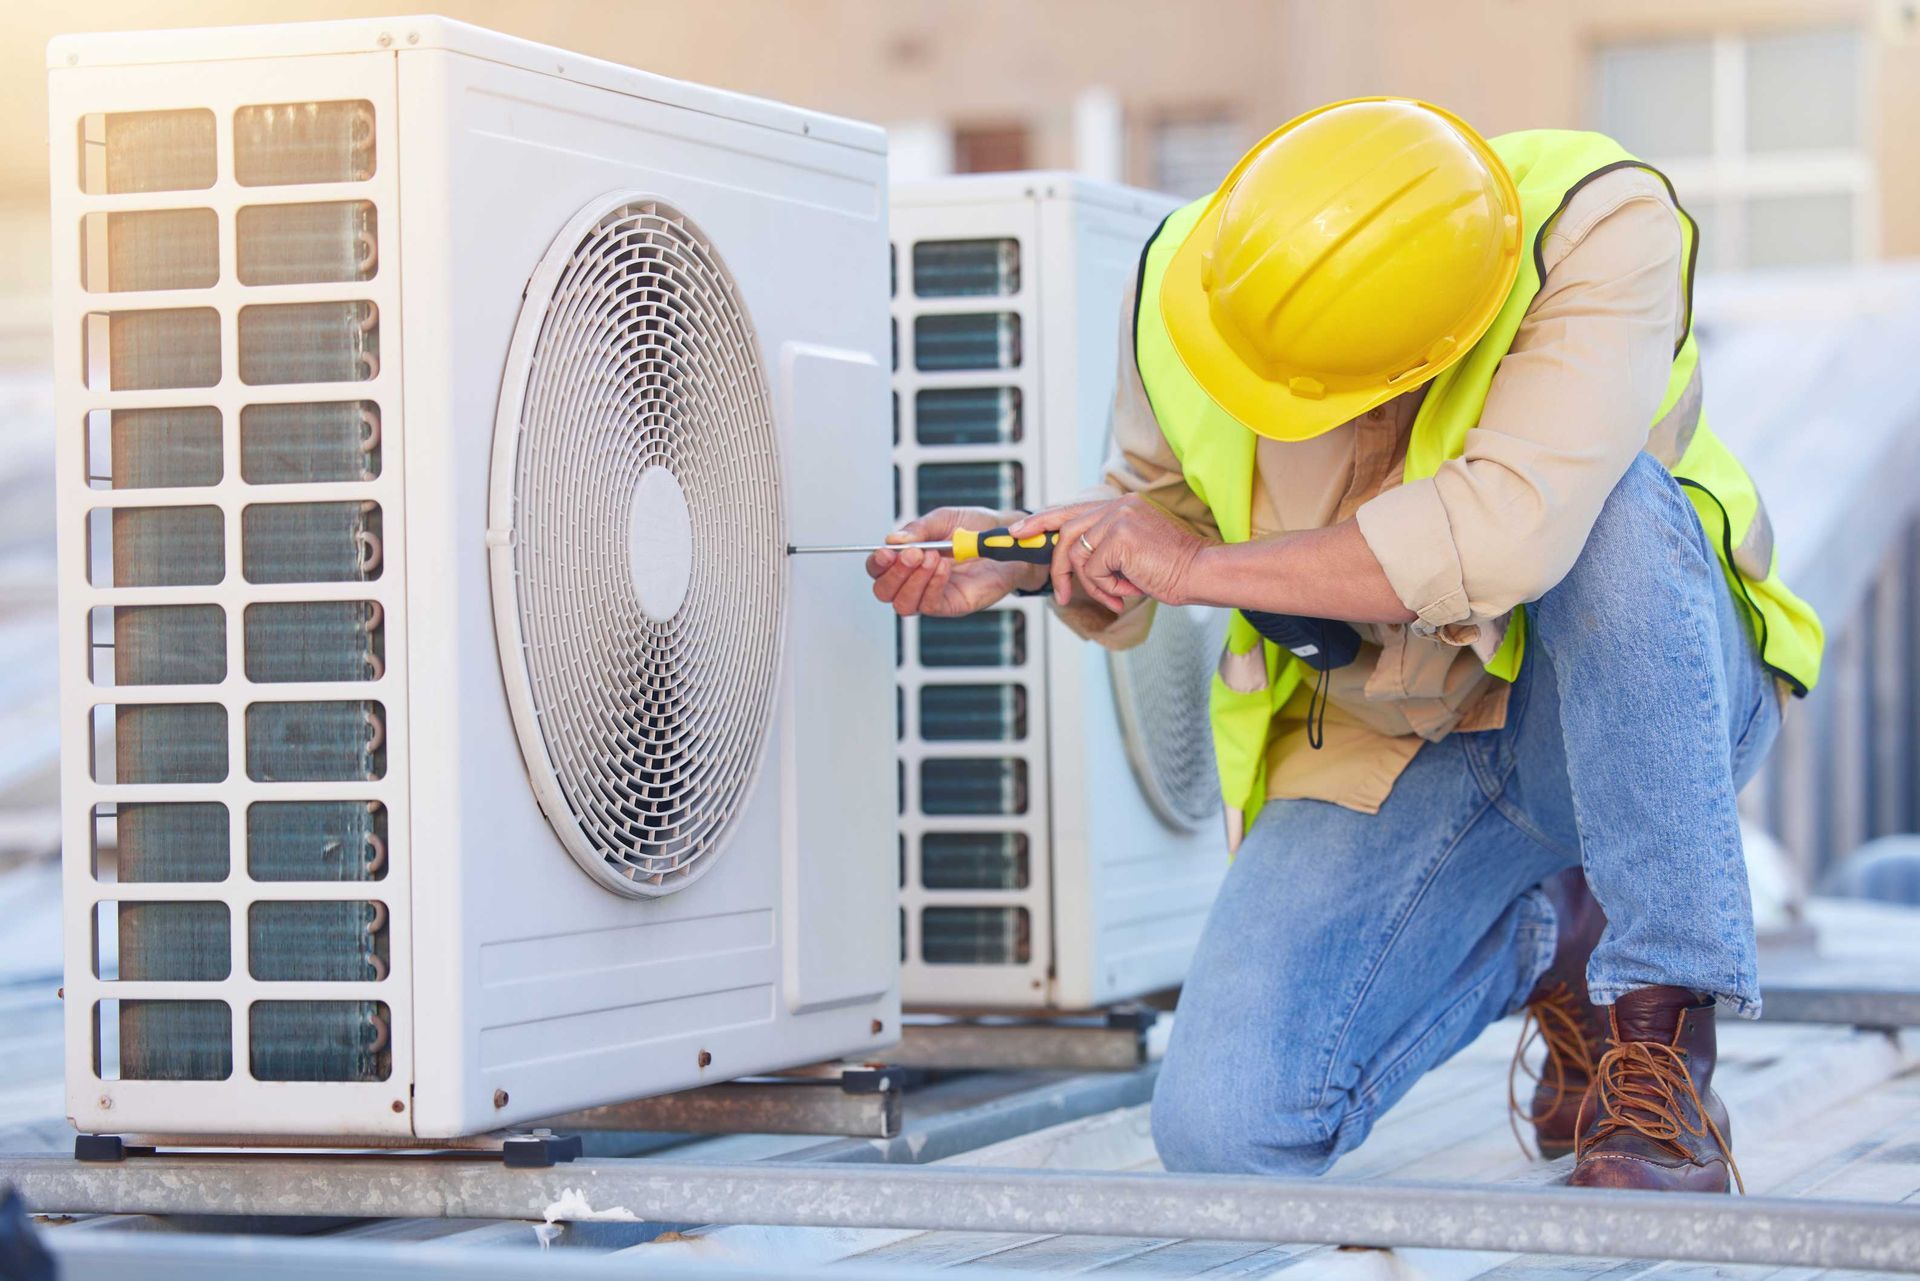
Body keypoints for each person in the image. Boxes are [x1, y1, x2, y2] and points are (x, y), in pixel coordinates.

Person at [867, 98, 1822, 1193]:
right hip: (1397, 733)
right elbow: (1158, 510)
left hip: (1624, 713)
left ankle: (1656, 1040)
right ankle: (1549, 940)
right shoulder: (1197, 280)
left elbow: (1505, 534)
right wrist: (1031, 552)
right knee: (1226, 1136)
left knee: (1614, 513)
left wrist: (1196, 570)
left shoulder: (1594, 228)